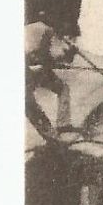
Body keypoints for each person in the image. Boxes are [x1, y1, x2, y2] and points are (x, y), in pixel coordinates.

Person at [25, 9, 75, 139]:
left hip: (28, 66)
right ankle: (62, 125)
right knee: (63, 88)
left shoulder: (30, 27)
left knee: (30, 106)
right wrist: (66, 56)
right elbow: (47, 56)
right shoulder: (48, 31)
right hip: (32, 68)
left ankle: (52, 136)